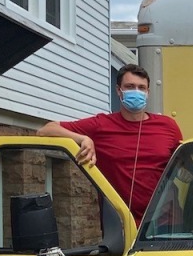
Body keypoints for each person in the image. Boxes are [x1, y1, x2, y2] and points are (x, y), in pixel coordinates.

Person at [37, 63, 182, 224]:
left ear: (148, 93)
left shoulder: (168, 126)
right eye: (130, 86)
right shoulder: (101, 125)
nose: (137, 92)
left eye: (142, 88)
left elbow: (186, 167)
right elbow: (46, 130)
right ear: (119, 90)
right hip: (121, 226)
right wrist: (83, 139)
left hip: (166, 224)